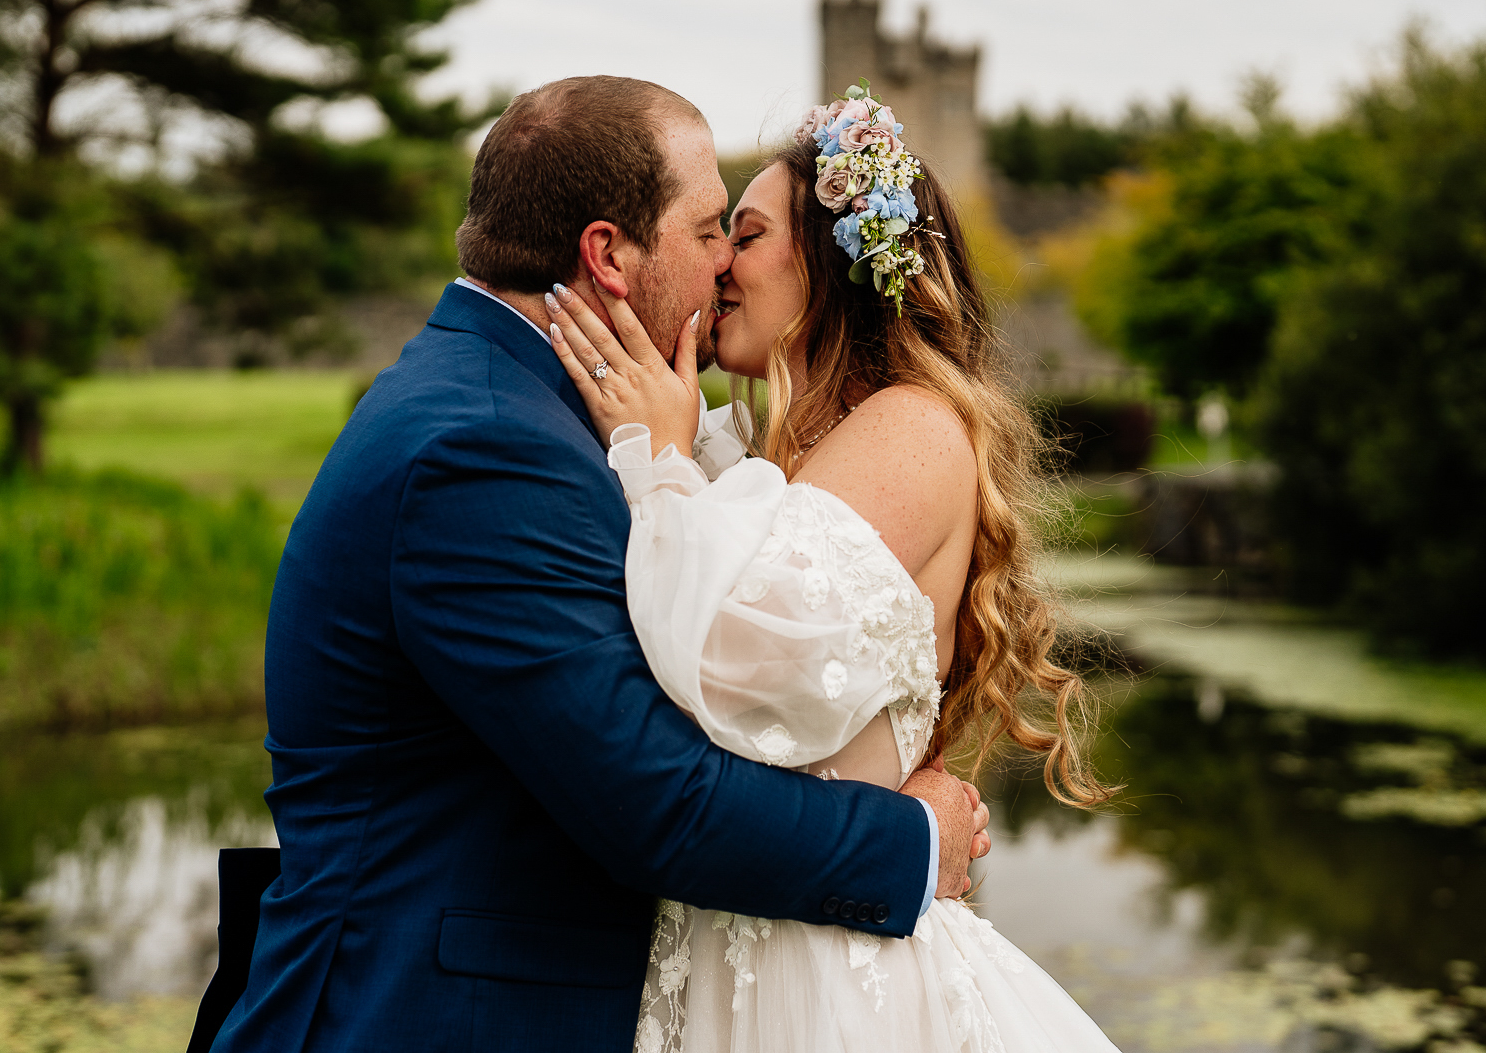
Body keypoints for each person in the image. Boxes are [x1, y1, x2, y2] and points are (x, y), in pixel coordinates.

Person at [207, 76, 987, 1053]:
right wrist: (912, 844)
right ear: (609, 254)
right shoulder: (486, 444)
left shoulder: (532, 410)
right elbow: (652, 797)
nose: (721, 268)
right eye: (710, 231)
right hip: (420, 1014)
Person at [544, 84, 1120, 1051]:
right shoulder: (761, 457)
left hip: (830, 987)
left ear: (831, 265)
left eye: (750, 233)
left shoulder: (911, 429)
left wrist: (659, 457)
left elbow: (736, 663)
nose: (720, 262)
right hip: (723, 962)